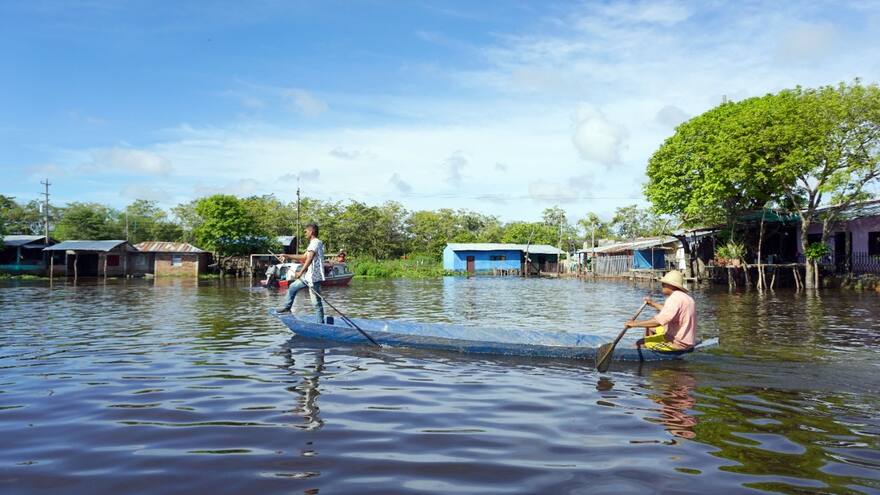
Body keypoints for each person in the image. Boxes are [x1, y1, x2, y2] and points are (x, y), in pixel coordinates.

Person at [624, 270, 696, 352]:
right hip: (687, 340)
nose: (662, 286)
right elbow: (669, 311)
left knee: (639, 343)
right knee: (650, 327)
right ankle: (651, 345)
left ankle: (649, 349)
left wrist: (634, 324)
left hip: (678, 343)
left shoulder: (674, 299)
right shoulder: (685, 297)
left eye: (663, 284)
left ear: (671, 285)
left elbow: (658, 322)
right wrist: (652, 304)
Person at [275, 223, 325, 323]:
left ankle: (320, 324)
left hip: (314, 277)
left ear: (311, 232)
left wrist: (300, 272)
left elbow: (309, 258)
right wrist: (286, 255)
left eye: (306, 231)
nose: (305, 233)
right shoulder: (313, 243)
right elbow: (303, 257)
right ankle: (287, 307)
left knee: (316, 302)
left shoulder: (315, 242)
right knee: (293, 287)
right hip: (308, 276)